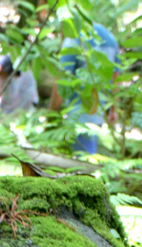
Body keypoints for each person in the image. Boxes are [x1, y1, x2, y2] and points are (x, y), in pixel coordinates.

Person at [50, 22, 120, 154]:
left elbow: (61, 79)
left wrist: (52, 114)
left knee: (82, 160)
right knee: (88, 154)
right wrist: (113, 109)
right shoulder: (110, 38)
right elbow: (116, 77)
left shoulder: (73, 38)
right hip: (99, 112)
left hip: (78, 114)